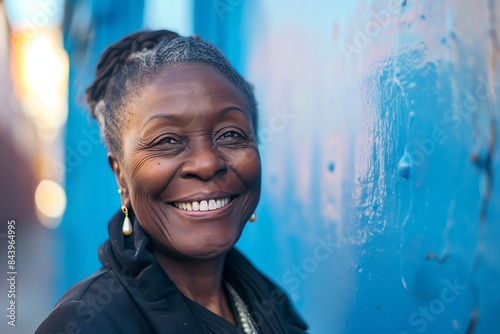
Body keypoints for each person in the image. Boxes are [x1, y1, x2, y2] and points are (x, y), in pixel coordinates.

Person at [36, 30, 308, 334]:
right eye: (166, 140)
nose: (207, 163)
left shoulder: (270, 304)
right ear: (121, 176)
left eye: (230, 134)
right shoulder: (86, 323)